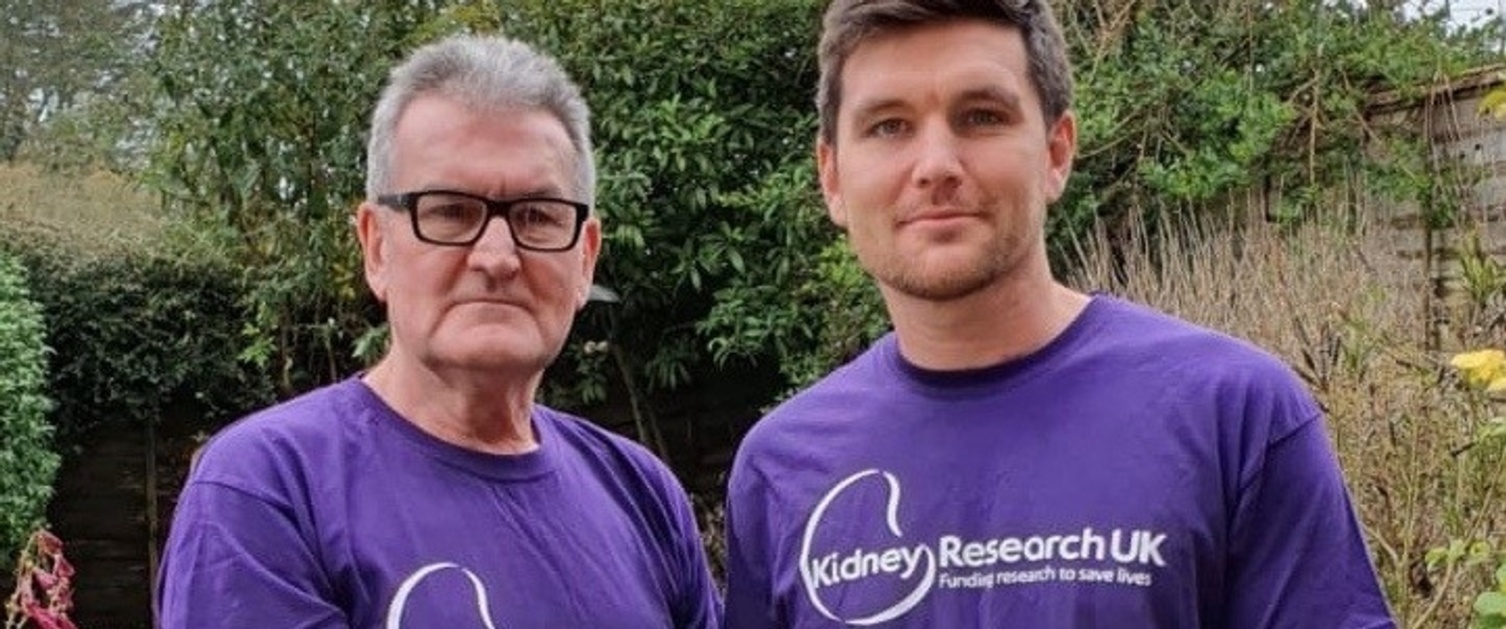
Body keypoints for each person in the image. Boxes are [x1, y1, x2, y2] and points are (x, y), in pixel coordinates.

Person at [722, 1, 1395, 627]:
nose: (936, 164)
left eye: (981, 115)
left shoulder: (1233, 414)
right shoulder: (780, 468)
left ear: (1056, 151)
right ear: (832, 177)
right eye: (888, 126)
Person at [157, 34, 721, 629]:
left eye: (536, 216)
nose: (497, 256)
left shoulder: (642, 495)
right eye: (450, 211)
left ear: (585, 258)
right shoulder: (269, 490)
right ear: (376, 247)